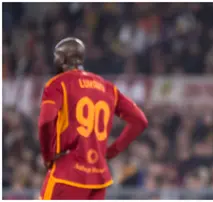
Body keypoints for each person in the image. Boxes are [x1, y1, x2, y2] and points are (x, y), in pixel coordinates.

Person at [38, 37, 148, 200]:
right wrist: (112, 151)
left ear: (61, 59)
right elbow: (140, 121)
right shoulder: (107, 87)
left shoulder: (57, 84)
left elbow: (46, 122)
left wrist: (48, 157)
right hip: (98, 177)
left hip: (67, 173)